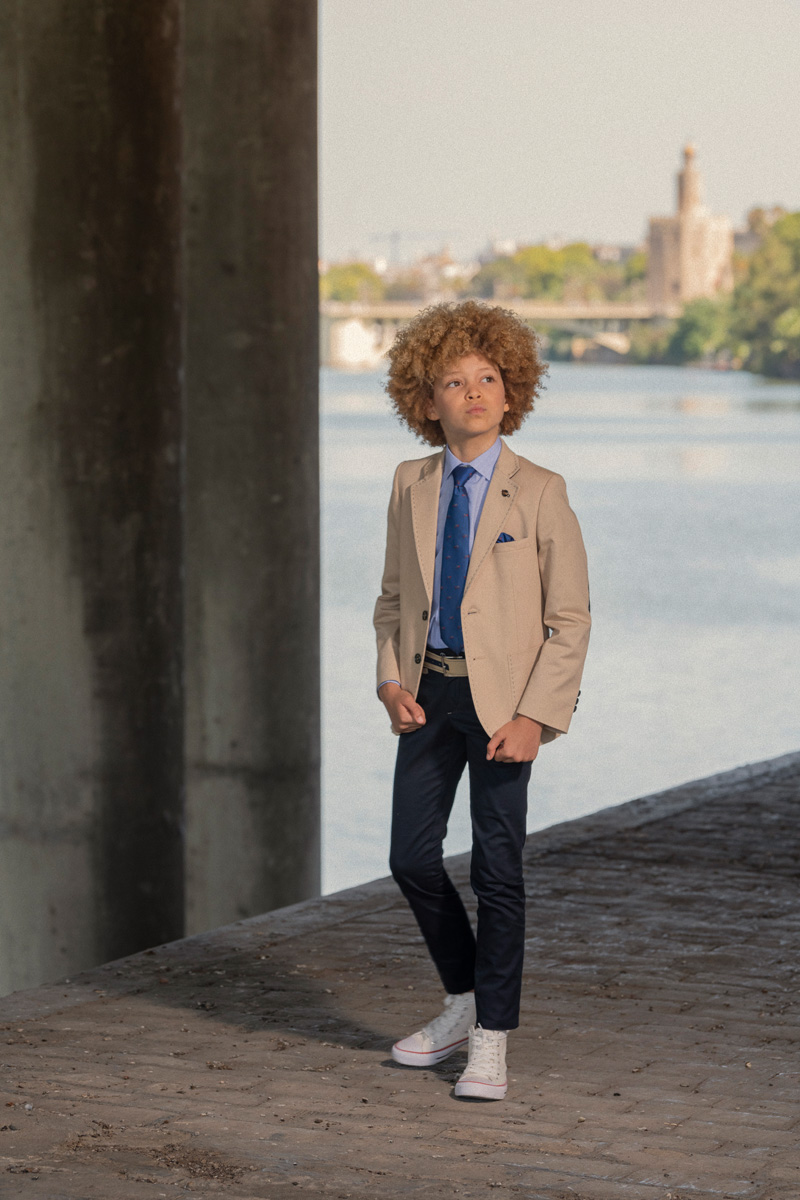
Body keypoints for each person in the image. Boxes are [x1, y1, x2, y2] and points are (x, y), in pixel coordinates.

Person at [373, 300, 591, 1100]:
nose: (473, 392)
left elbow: (570, 620)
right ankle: (465, 1000)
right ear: (426, 401)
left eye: (488, 378)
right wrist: (389, 680)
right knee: (410, 858)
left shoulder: (541, 491)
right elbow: (393, 599)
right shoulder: (410, 484)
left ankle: (491, 1039)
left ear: (511, 391)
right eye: (453, 381)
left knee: (498, 870)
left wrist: (537, 716)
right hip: (427, 693)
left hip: (505, 706)